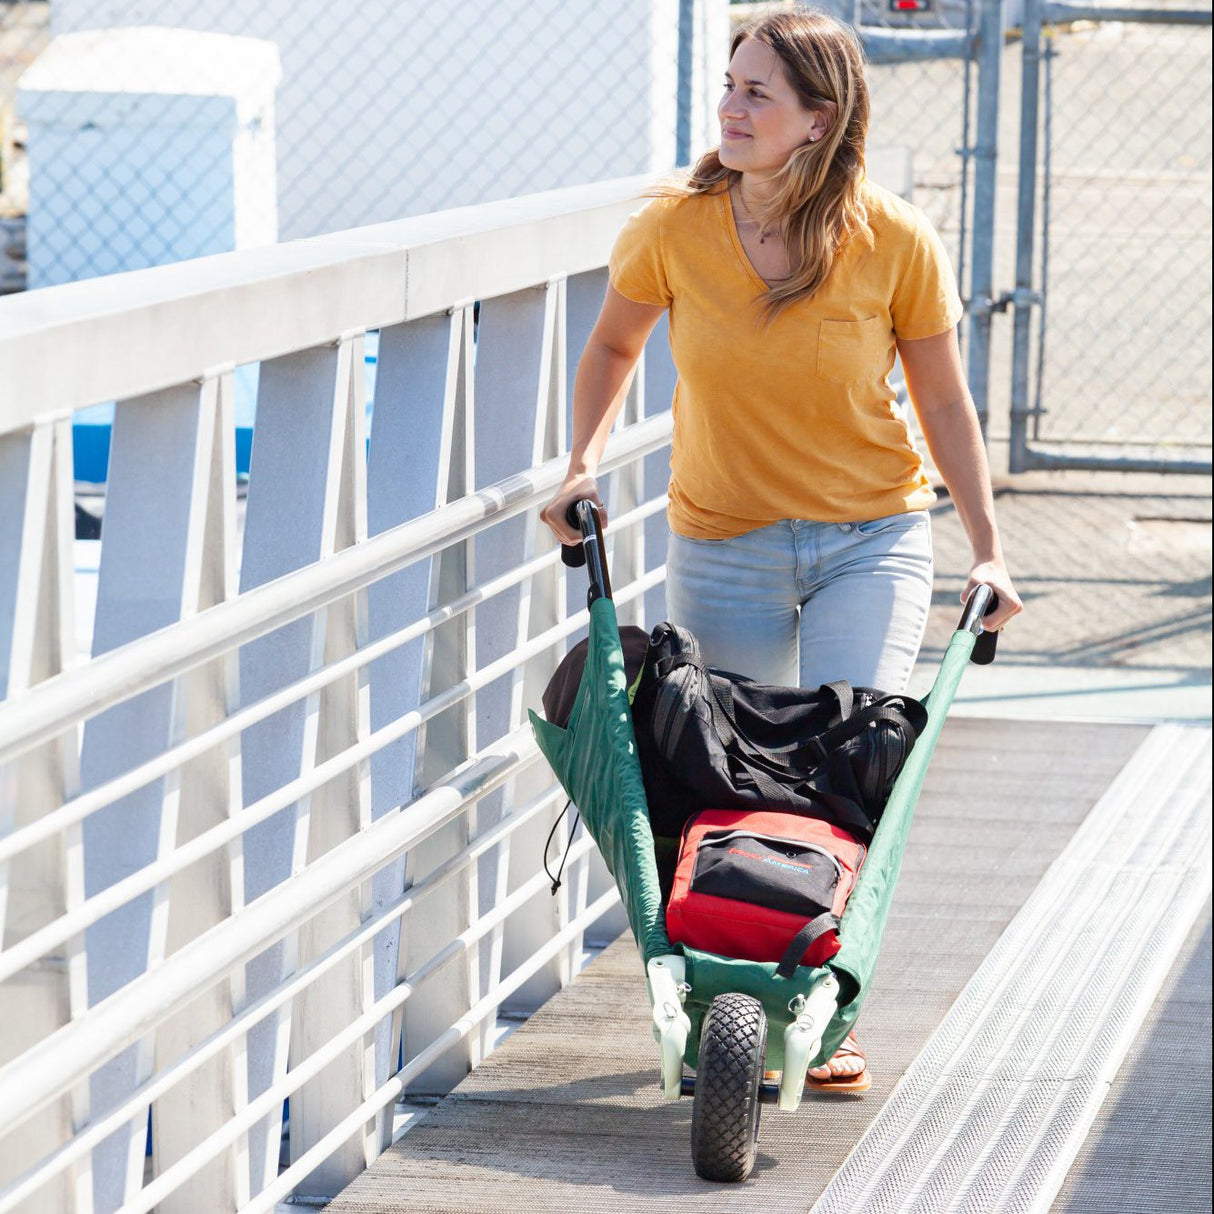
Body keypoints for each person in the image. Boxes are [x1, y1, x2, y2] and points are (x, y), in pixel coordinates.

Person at [541, 10, 1022, 1091]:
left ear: (818, 119)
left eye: (758, 92)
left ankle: (825, 998)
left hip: (871, 534)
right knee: (724, 777)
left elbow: (940, 397)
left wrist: (987, 549)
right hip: (722, 540)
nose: (731, 107)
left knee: (847, 773)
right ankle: (727, 996)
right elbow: (615, 342)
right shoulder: (673, 225)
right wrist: (579, 461)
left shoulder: (891, 237)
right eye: (728, 84)